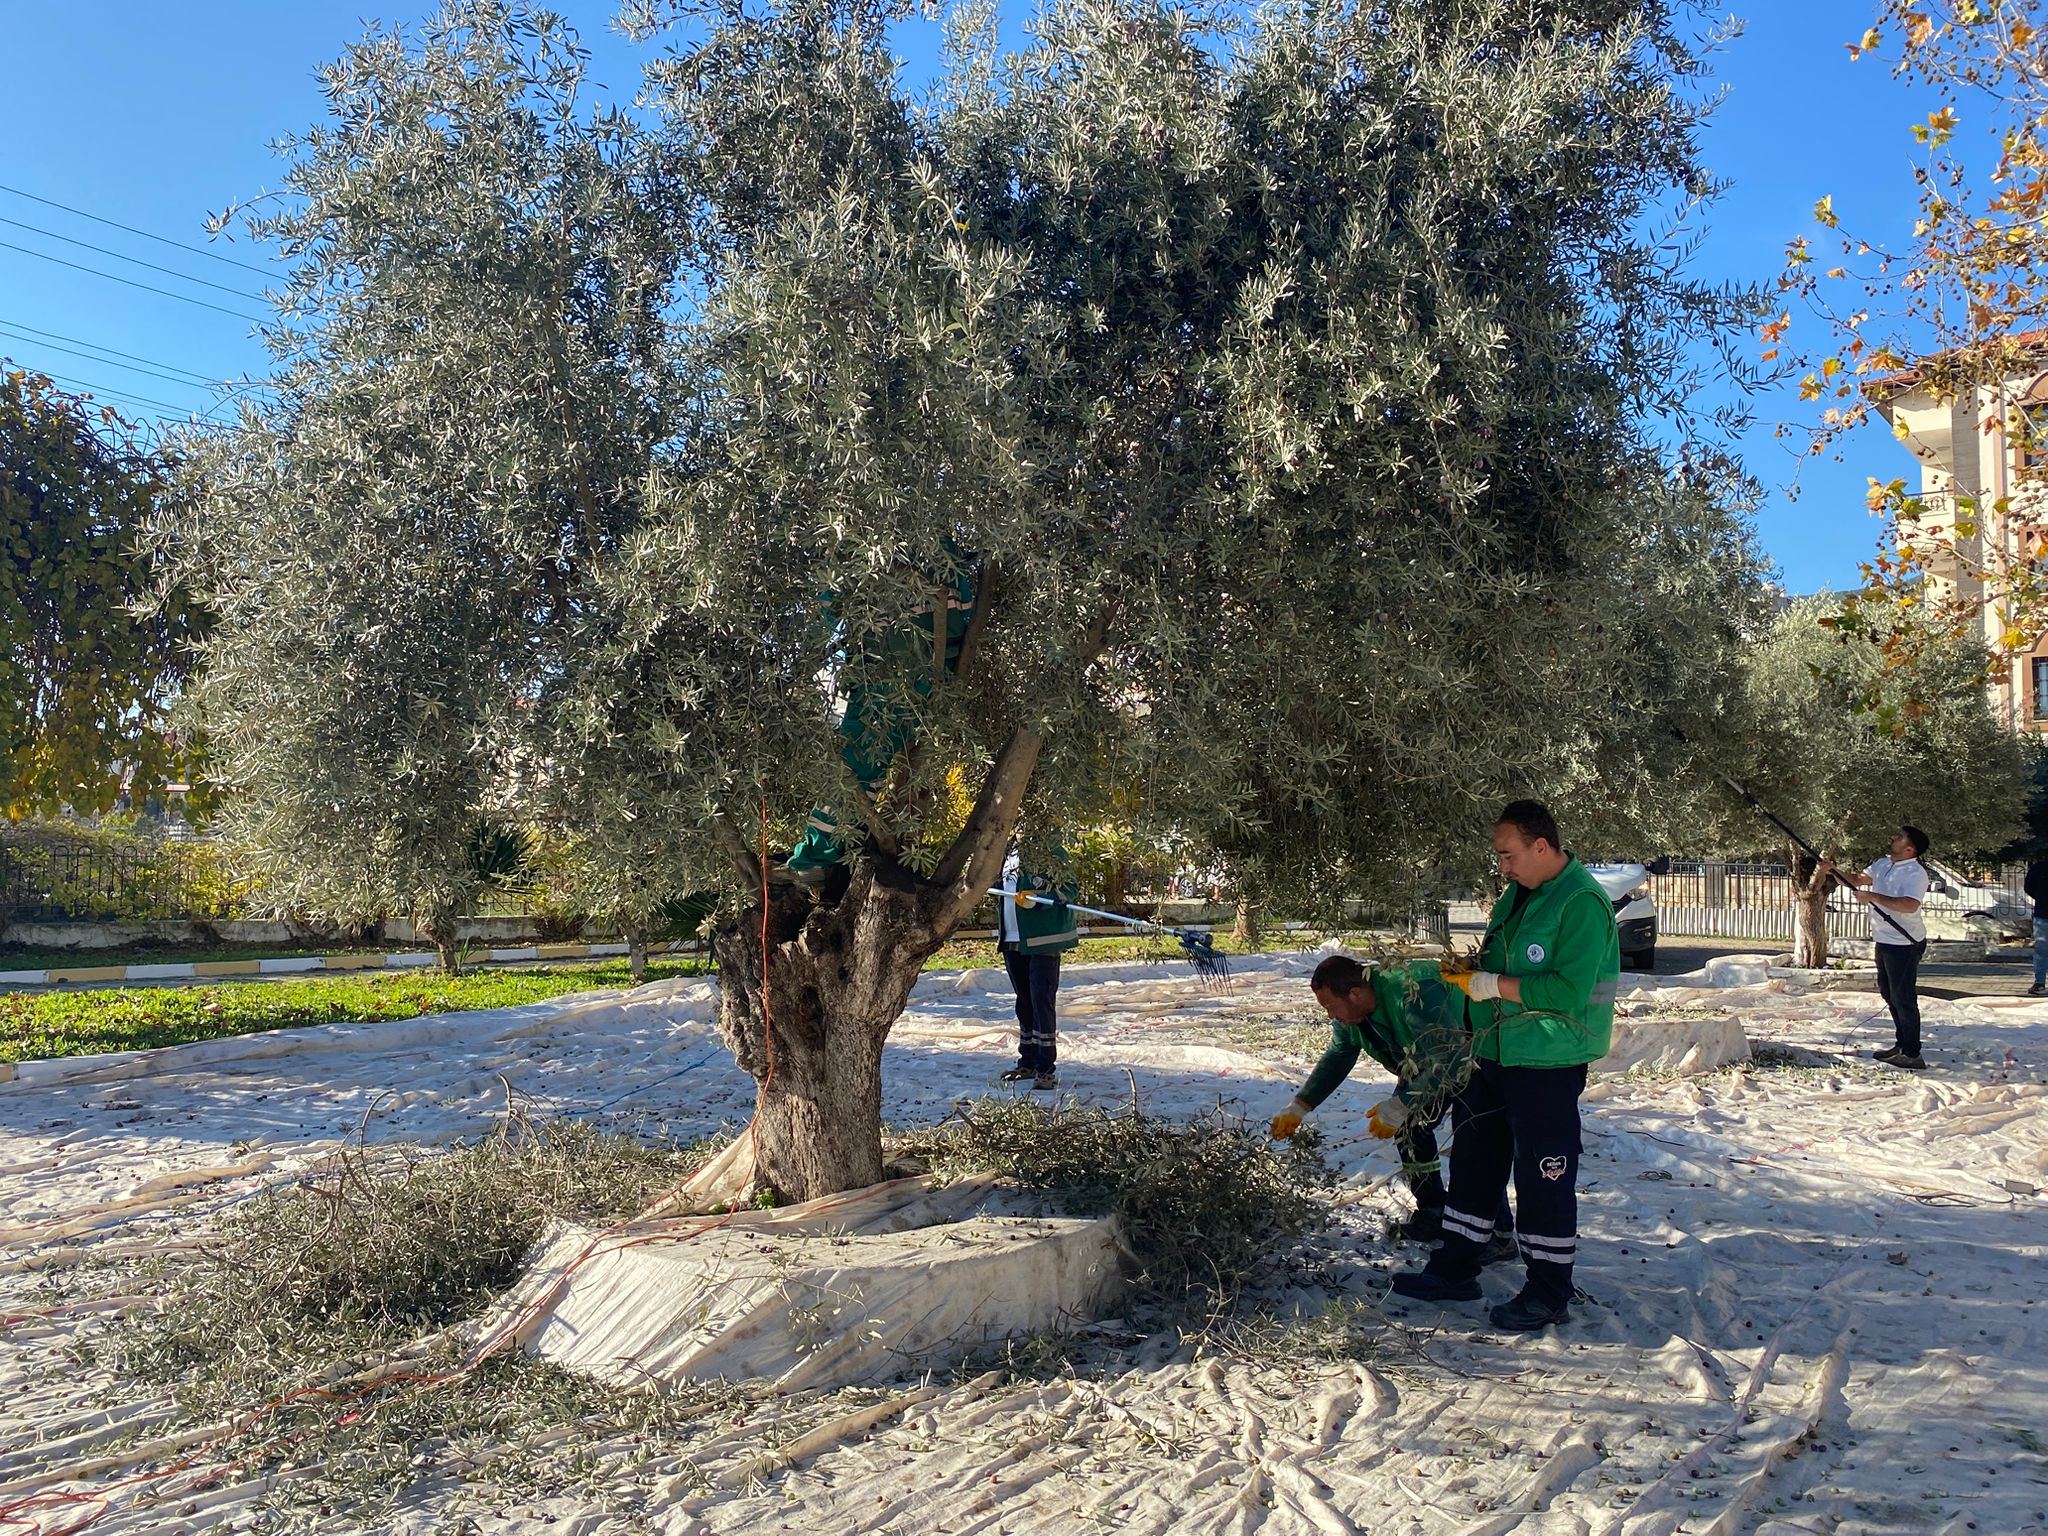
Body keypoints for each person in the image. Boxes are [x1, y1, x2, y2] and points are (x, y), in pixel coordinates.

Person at [1389, 799, 1618, 1332]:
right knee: (1474, 1160)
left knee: (1543, 1175)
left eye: (1509, 855)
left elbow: (1565, 991)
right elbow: (1502, 960)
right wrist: (1473, 971)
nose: (1503, 867)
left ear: (1542, 846)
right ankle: (1455, 1268)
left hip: (1547, 1059)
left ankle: (1547, 1291)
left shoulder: (1581, 903)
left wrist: (1492, 986)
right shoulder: (1519, 895)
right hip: (1493, 1051)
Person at [1270, 953, 1513, 1258]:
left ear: (1355, 993)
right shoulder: (1352, 1015)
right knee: (1411, 1132)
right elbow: (1339, 1055)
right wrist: (1301, 1104)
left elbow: (1451, 1056)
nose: (1331, 1015)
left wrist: (1402, 1104)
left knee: (1479, 1142)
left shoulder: (1412, 993)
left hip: (1474, 1057)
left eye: (1330, 1006)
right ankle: (1433, 1210)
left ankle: (1499, 1233)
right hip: (1425, 1063)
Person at [1824, 826, 1931, 1068]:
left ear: (1909, 849)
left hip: (1904, 943)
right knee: (1888, 992)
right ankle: (1901, 1044)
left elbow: (1909, 905)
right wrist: (1833, 871)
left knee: (1903, 997)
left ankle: (1913, 1053)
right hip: (1884, 940)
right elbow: (1858, 880)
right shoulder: (1883, 864)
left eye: (1900, 837)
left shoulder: (1916, 873)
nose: (1893, 837)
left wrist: (1872, 897)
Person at [998, 845, 1079, 1089]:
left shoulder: (1051, 850)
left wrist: (1039, 901)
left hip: (1042, 939)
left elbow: (1069, 889)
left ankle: (1046, 1068)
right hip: (1013, 938)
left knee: (1041, 1001)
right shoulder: (1004, 850)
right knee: (1023, 1002)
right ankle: (1028, 1061)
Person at [2024, 852, 2048, 998]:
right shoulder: (2039, 868)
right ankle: (2039, 983)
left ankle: (2039, 983)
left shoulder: (2038, 868)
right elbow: (2029, 887)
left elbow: (2029, 888)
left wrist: (2040, 898)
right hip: (2042, 915)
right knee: (2041, 950)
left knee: (2041, 950)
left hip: (2042, 913)